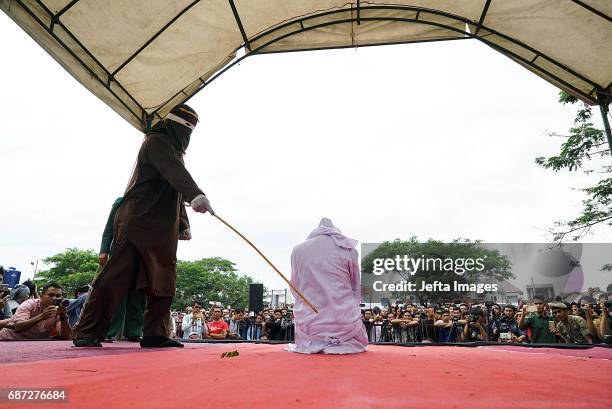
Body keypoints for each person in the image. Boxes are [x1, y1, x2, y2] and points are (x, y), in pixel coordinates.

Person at [73, 104, 214, 348]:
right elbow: (174, 173)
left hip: (163, 228)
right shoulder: (156, 142)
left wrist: (182, 223)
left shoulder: (175, 153)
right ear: (172, 125)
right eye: (185, 128)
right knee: (116, 275)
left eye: (191, 130)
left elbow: (174, 187)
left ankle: (154, 333)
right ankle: (88, 331)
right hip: (138, 220)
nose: (187, 134)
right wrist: (197, 194)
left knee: (164, 279)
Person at [286, 218, 367, 354]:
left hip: (309, 317)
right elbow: (355, 284)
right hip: (343, 316)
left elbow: (294, 284)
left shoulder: (298, 249)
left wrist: (304, 301)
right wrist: (354, 304)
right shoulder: (347, 248)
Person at [99, 196, 146, 343]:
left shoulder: (153, 201)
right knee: (116, 292)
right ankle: (108, 331)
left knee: (139, 292)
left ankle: (134, 332)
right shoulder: (121, 201)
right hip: (120, 251)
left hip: (143, 253)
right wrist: (103, 249)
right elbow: (109, 228)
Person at [0, 282, 72, 340]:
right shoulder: (29, 304)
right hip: (8, 341)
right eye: (50, 295)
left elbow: (66, 337)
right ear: (41, 295)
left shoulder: (59, 311)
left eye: (58, 296)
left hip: (33, 346)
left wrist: (63, 318)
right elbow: (18, 327)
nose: (54, 298)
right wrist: (41, 316)